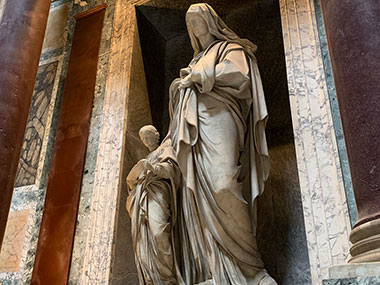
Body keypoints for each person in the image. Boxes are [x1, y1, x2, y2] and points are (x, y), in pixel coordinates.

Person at [167, 3, 276, 284]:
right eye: (189, 22)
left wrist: (199, 77)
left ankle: (252, 268)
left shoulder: (230, 48)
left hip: (221, 117)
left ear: (211, 21)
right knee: (198, 196)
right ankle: (216, 270)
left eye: (198, 20)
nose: (194, 26)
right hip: (196, 128)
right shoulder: (195, 59)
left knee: (223, 184)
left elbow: (240, 76)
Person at [126, 125, 182, 284]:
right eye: (143, 138)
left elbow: (171, 170)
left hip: (158, 193)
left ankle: (168, 278)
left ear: (156, 135)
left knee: (159, 233)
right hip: (143, 196)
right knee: (144, 241)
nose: (145, 140)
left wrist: (152, 167)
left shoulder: (165, 149)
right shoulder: (147, 157)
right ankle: (152, 279)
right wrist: (132, 182)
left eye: (147, 136)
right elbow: (132, 182)